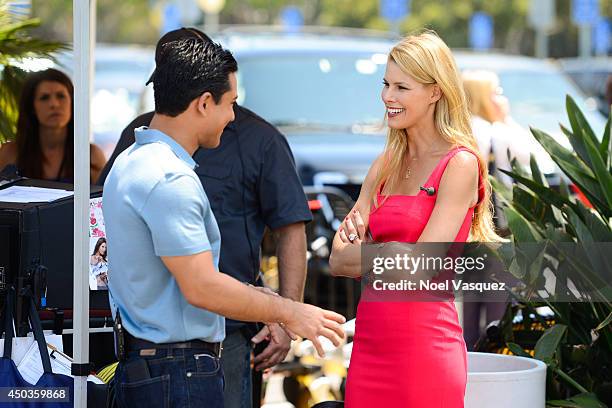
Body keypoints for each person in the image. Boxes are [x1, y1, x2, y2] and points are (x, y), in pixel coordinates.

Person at [103, 37, 345, 408]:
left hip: (157, 367)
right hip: (177, 373)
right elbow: (202, 287)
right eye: (230, 103)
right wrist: (290, 311)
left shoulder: (134, 159)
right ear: (203, 103)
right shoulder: (169, 178)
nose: (234, 116)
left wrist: (265, 297)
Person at [329, 31, 502, 407]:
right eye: (386, 84)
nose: (387, 97)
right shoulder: (385, 164)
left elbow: (422, 267)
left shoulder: (460, 164)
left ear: (435, 92)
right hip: (370, 349)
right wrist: (393, 252)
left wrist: (374, 252)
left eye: (402, 87)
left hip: (425, 350)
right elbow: (338, 259)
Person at [0, 68, 106, 183]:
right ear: (32, 107)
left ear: (72, 102)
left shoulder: (91, 155)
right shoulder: (11, 153)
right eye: (44, 98)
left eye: (61, 96)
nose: (54, 104)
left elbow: (102, 199)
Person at [461, 69, 536, 188]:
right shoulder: (494, 132)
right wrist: (506, 119)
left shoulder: (463, 127)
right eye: (497, 92)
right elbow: (532, 158)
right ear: (482, 98)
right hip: (494, 203)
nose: (503, 99)